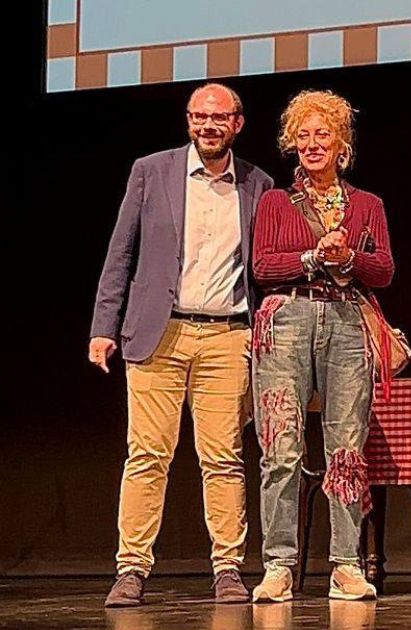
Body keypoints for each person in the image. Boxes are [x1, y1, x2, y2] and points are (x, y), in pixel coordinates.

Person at [89, 83, 273, 607]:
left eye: (219, 118)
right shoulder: (152, 171)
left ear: (237, 123)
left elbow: (263, 265)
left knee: (224, 458)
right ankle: (131, 569)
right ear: (188, 121)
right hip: (157, 332)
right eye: (198, 117)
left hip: (227, 336)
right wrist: (104, 325)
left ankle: (229, 568)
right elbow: (120, 252)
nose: (207, 126)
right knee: (146, 455)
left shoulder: (258, 183)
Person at [249, 90, 394, 602]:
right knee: (281, 448)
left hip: (347, 321)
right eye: (303, 136)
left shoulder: (367, 205)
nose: (312, 144)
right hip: (286, 320)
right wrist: (313, 256)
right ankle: (279, 565)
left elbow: (384, 270)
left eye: (322, 134)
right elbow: (263, 267)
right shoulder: (273, 202)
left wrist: (348, 257)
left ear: (341, 144)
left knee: (346, 448)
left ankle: (346, 564)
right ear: (293, 143)